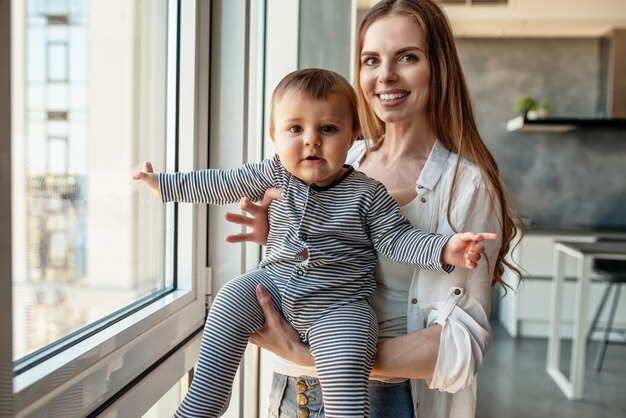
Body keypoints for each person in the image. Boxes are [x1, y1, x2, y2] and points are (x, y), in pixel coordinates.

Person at [134, 68, 496, 418]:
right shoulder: (273, 171)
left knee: (347, 359)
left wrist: (444, 249)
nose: (311, 139)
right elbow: (221, 182)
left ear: (353, 135)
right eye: (296, 128)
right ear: (274, 135)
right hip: (274, 285)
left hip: (340, 305)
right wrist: (163, 184)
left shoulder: (367, 192)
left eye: (328, 128)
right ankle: (202, 405)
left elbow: (396, 239)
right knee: (230, 298)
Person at [223, 1, 523, 417]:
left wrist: (318, 356)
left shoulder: (466, 185)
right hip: (292, 395)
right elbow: (315, 278)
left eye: (407, 57)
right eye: (371, 60)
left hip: (386, 402)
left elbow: (463, 347)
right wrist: (277, 235)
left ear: (438, 68)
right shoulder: (337, 154)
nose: (386, 75)